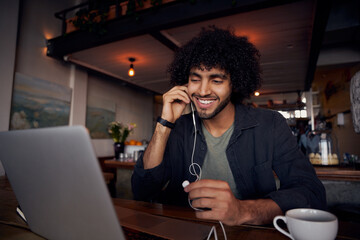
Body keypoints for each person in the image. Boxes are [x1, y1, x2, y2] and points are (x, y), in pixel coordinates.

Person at [131, 26, 326, 226]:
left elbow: (311, 192)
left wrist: (244, 210)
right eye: (195, 79)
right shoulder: (178, 128)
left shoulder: (270, 124)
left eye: (216, 80)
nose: (203, 90)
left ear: (235, 83)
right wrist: (164, 124)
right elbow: (142, 190)